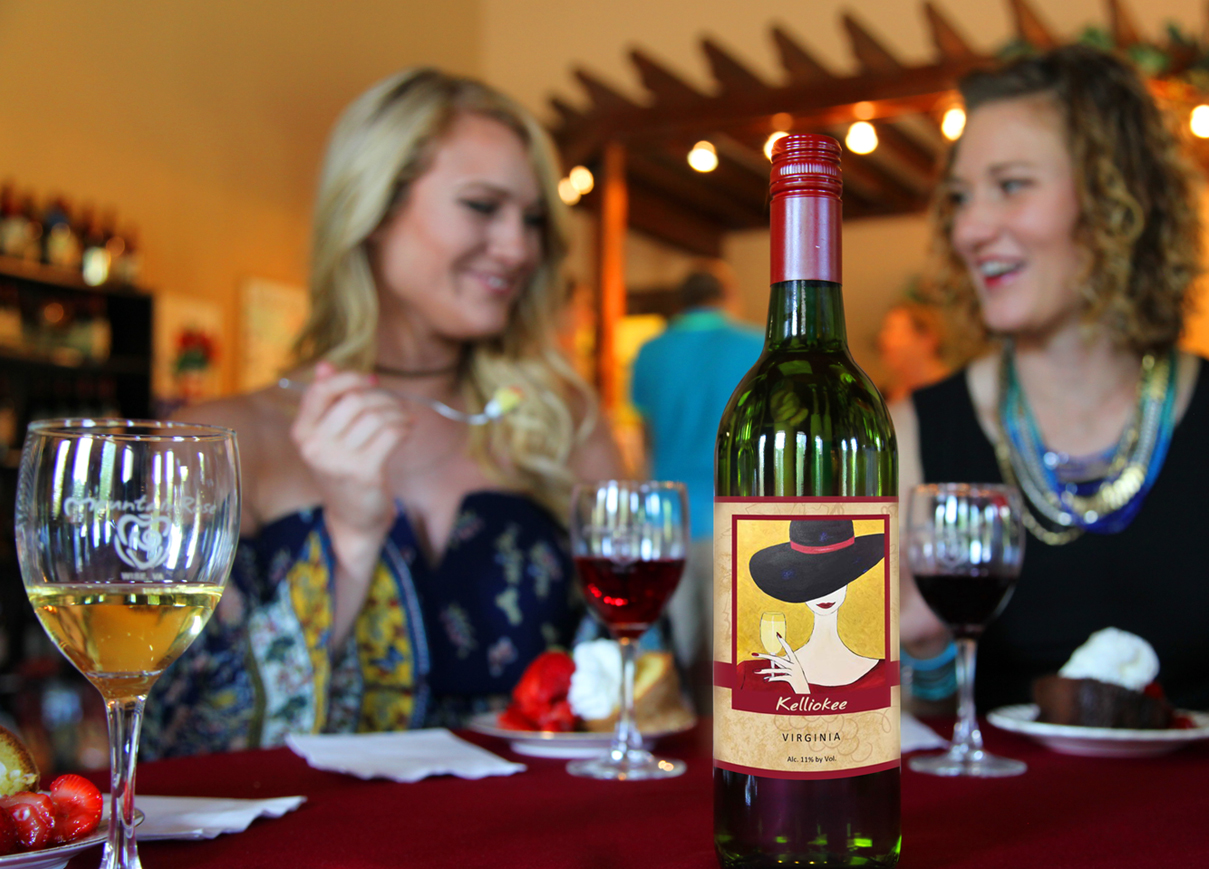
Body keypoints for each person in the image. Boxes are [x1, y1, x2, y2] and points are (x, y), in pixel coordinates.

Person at [143, 68, 623, 757]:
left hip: (535, 853)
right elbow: (175, 745)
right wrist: (350, 536)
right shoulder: (220, 442)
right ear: (371, 211)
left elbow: (643, 683)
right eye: (483, 206)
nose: (519, 248)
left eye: (534, 220)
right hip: (307, 860)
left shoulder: (561, 420)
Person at [894, 45, 1209, 727]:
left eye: (1011, 185)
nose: (971, 228)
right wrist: (922, 662)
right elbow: (902, 731)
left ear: (1113, 198)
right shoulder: (909, 432)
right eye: (960, 197)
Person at [630, 266, 764, 684]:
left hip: (667, 522)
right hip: (739, 518)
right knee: (737, 656)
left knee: (674, 659)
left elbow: (646, 440)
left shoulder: (650, 352)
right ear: (728, 296)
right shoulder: (757, 344)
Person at [739, 519, 887, 696]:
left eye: (835, 579)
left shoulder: (882, 675)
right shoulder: (751, 675)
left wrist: (802, 689)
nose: (825, 594)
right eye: (812, 581)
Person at [876, 301, 949, 404]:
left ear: (927, 339)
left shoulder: (957, 391)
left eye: (892, 330)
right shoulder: (887, 402)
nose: (883, 340)